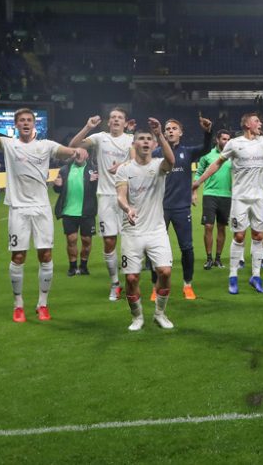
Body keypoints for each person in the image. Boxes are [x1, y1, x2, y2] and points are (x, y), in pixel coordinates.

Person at [0, 87, 86, 322]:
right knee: (18, 257)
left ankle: (43, 304)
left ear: (33, 124)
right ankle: (18, 305)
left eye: (28, 120)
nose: (25, 123)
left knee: (46, 255)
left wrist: (78, 151)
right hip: (18, 209)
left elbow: (67, 151)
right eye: (21, 120)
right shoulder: (8, 145)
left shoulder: (45, 145)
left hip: (41, 209)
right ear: (16, 125)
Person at [193, 112, 263, 294]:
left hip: (259, 198)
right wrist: (199, 181)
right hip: (239, 198)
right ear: (247, 124)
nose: (260, 123)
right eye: (256, 121)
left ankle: (256, 276)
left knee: (258, 236)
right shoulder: (234, 143)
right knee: (239, 237)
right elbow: (217, 163)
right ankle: (233, 276)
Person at [115, 119, 176, 331]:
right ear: (134, 143)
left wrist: (160, 134)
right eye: (141, 138)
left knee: (165, 272)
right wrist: (127, 208)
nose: (145, 142)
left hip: (156, 230)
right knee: (131, 278)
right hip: (132, 230)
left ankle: (160, 314)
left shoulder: (159, 165)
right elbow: (120, 196)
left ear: (154, 144)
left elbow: (171, 160)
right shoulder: (124, 169)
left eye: (149, 139)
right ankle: (137, 317)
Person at [69, 108, 134, 301]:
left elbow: (137, 160)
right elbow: (73, 145)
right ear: (108, 122)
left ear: (125, 122)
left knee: (131, 242)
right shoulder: (99, 137)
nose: (115, 120)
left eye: (119, 117)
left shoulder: (130, 139)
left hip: (128, 196)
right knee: (108, 242)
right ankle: (115, 283)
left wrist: (122, 166)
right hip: (106, 196)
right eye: (113, 117)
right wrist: (87, 127)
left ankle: (131, 279)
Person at [151, 116, 213, 300]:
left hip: (181, 208)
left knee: (186, 248)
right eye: (168, 128)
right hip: (159, 209)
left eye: (174, 128)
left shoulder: (188, 152)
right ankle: (155, 287)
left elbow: (206, 149)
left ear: (180, 133)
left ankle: (187, 285)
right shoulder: (156, 153)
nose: (170, 131)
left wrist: (208, 132)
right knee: (155, 248)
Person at [52, 151, 98, 276]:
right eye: (76, 152)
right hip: (69, 211)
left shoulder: (93, 169)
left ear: (87, 155)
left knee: (86, 240)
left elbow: (99, 188)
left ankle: (83, 266)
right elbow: (58, 189)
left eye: (81, 152)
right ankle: (72, 267)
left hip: (87, 211)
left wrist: (95, 182)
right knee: (71, 239)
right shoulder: (64, 170)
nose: (78, 155)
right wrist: (57, 186)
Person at [193, 130, 232, 270]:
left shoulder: (232, 156)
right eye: (223, 139)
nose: (226, 141)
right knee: (208, 226)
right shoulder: (207, 156)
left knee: (222, 227)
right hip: (210, 194)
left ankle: (218, 259)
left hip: (227, 195)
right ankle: (209, 258)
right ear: (217, 139)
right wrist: (194, 191)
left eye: (228, 139)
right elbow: (198, 173)